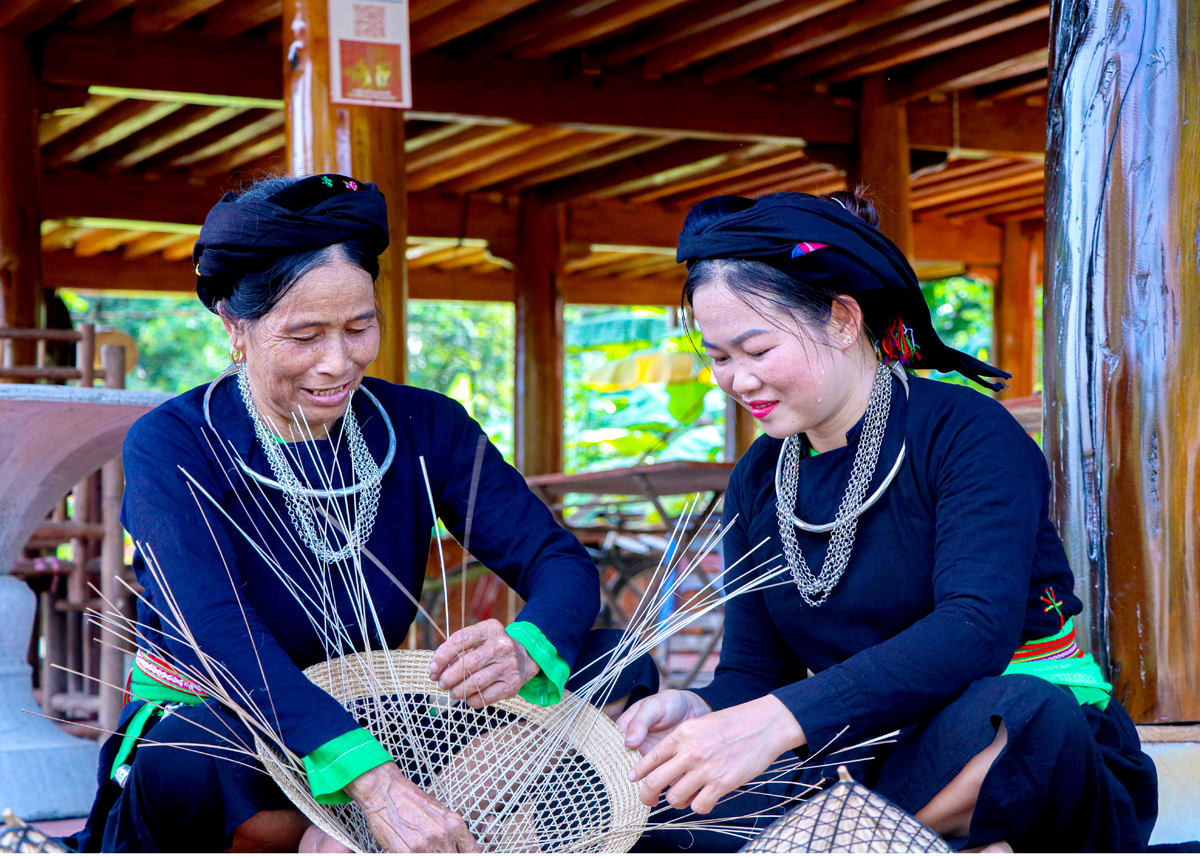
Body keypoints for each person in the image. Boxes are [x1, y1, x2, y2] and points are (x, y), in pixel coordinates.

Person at [70, 174, 654, 853]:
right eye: (306, 335)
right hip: (242, 725)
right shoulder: (174, 441)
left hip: (379, 715)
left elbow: (557, 560)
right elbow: (219, 635)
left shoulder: (423, 425)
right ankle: (359, 826)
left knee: (612, 658)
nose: (338, 362)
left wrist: (523, 646)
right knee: (190, 754)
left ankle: (440, 812)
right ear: (236, 325)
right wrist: (375, 786)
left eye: (359, 326)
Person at [617, 191, 1158, 852]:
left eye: (756, 348)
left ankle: (846, 841)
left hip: (1003, 744)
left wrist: (780, 719)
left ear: (843, 318)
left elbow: (974, 630)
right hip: (876, 758)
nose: (737, 379)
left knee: (1028, 717)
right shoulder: (759, 477)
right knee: (661, 807)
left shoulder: (965, 432)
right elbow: (755, 676)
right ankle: (897, 842)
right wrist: (699, 707)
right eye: (721, 356)